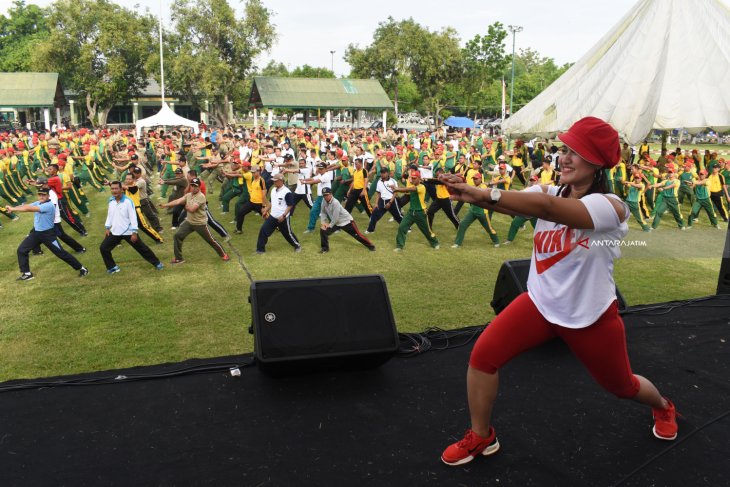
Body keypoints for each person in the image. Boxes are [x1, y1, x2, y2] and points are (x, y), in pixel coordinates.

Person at [438, 117, 677, 467]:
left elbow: (549, 211)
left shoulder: (612, 208)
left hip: (589, 315)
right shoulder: (547, 191)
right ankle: (482, 436)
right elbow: (516, 202)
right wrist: (470, 191)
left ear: (597, 164)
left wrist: (483, 194)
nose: (563, 158)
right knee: (482, 359)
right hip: (539, 303)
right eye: (563, 150)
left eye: (574, 153)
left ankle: (663, 405)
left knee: (622, 386)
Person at [7, 186, 89, 281]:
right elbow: (25, 206)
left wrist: (13, 209)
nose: (41, 196)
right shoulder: (38, 202)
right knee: (21, 250)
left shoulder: (49, 205)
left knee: (61, 253)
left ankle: (82, 269)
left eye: (44, 195)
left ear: (48, 196)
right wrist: (12, 208)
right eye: (40, 194)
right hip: (36, 233)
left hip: (48, 235)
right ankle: (27, 273)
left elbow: (28, 209)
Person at [101, 181, 164, 274]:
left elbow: (133, 218)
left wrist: (134, 232)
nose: (114, 191)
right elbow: (110, 215)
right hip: (115, 232)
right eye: (112, 188)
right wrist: (107, 227)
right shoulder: (111, 201)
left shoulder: (128, 201)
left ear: (121, 190)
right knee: (104, 248)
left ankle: (157, 263)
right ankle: (113, 267)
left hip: (129, 232)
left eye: (116, 188)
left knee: (142, 249)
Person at [161, 178, 229, 264]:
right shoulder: (189, 195)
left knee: (211, 240)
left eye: (195, 186)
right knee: (177, 236)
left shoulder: (201, 196)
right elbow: (178, 201)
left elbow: (192, 209)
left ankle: (223, 254)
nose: (193, 188)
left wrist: (186, 206)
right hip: (189, 222)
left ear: (199, 187)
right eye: (192, 185)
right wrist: (166, 205)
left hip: (200, 224)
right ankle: (179, 259)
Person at [392, 170, 440, 251]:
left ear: (419, 178)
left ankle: (435, 243)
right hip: (411, 212)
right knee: (402, 227)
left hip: (421, 213)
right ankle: (399, 246)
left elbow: (411, 189)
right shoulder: (412, 186)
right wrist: (396, 189)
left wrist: (397, 188)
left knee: (427, 231)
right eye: (412, 178)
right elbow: (406, 190)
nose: (412, 180)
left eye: (414, 178)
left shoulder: (421, 187)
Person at [318, 187, 375, 253]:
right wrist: (323, 223)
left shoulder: (335, 203)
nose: (325, 197)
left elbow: (335, 218)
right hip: (336, 223)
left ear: (331, 194)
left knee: (357, 236)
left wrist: (329, 225)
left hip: (346, 221)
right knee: (323, 230)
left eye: (327, 195)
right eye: (324, 195)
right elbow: (323, 212)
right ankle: (325, 249)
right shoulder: (323, 201)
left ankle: (371, 246)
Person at [255, 173, 301, 254]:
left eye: (275, 181)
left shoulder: (287, 192)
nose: (274, 183)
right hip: (273, 216)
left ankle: (297, 245)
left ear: (281, 181)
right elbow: (271, 202)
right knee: (263, 230)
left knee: (287, 234)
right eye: (273, 181)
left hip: (282, 217)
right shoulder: (273, 190)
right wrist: (266, 210)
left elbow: (290, 205)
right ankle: (260, 250)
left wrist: (283, 216)